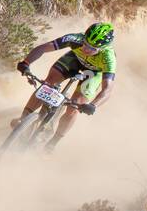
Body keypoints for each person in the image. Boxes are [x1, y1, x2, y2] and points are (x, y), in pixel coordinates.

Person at [14, 22, 117, 150]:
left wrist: (93, 105)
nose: (86, 49)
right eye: (85, 44)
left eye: (92, 48)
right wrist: (26, 62)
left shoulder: (108, 58)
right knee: (48, 84)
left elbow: (107, 89)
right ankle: (23, 120)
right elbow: (43, 48)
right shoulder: (75, 39)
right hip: (74, 59)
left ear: (103, 49)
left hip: (93, 72)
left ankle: (52, 144)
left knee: (74, 107)